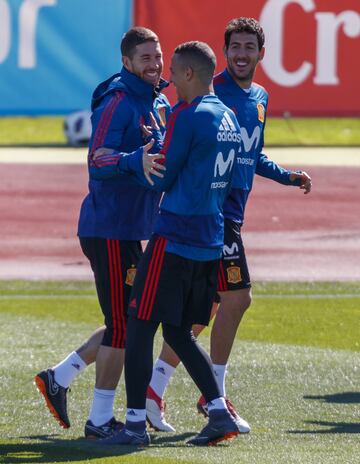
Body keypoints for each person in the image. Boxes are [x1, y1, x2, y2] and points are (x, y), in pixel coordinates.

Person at [146, 17, 312, 432]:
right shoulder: (208, 91)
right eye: (234, 47)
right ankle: (212, 394)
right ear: (224, 53)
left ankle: (153, 389)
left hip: (231, 215)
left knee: (207, 308)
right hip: (212, 217)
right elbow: (176, 128)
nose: (241, 54)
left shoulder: (259, 97)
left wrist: (287, 175)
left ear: (261, 53)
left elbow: (252, 154)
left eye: (248, 47)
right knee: (236, 300)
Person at [99, 40, 243, 446]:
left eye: (175, 73)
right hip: (209, 240)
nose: (170, 80)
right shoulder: (228, 116)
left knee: (140, 325)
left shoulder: (188, 114)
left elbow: (162, 176)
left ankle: (131, 426)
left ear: (190, 74)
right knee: (180, 332)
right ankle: (218, 412)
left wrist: (133, 162)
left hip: (175, 237)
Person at [34, 26, 170, 439]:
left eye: (157, 56)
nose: (154, 64)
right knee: (125, 326)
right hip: (109, 228)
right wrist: (134, 161)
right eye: (145, 58)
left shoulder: (158, 100)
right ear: (126, 62)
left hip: (131, 228)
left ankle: (59, 376)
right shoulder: (118, 99)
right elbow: (97, 160)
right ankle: (98, 421)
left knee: (128, 320)